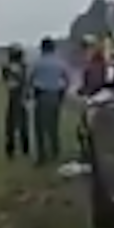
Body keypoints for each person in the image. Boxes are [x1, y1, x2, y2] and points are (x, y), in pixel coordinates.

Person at [28, 36, 73, 167]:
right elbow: (67, 79)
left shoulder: (37, 62)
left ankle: (42, 156)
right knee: (53, 125)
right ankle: (55, 151)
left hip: (41, 95)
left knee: (40, 128)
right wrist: (63, 92)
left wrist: (29, 94)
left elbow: (30, 79)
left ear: (42, 48)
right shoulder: (60, 62)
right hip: (56, 96)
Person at [0, 45, 31, 160]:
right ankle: (24, 148)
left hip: (14, 97)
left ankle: (11, 149)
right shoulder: (23, 67)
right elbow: (25, 81)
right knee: (22, 124)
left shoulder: (8, 67)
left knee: (11, 125)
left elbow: (6, 80)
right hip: (20, 97)